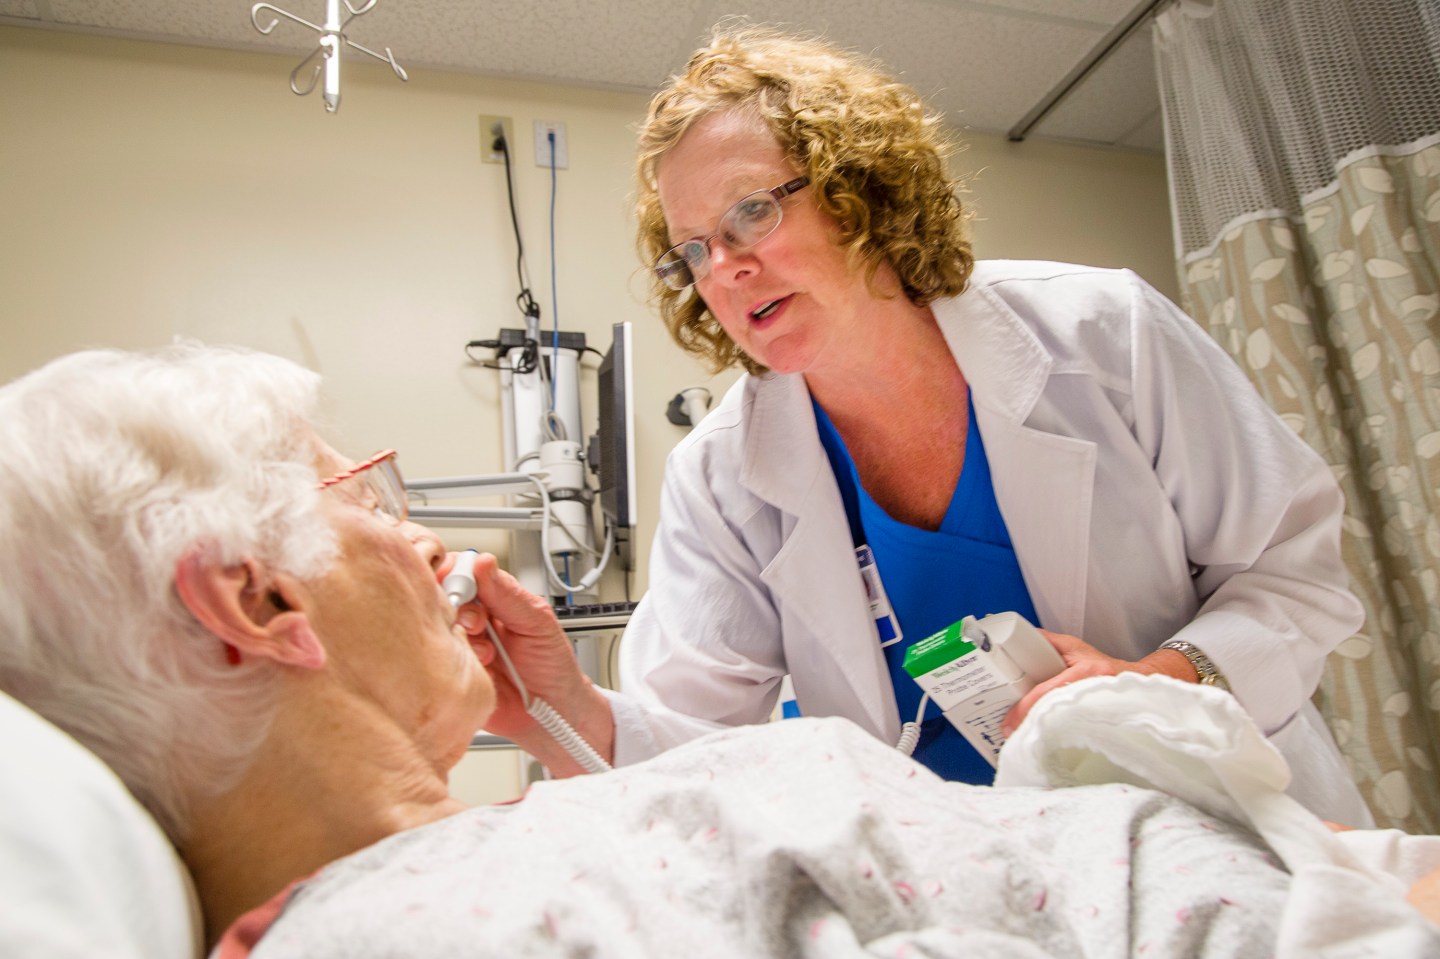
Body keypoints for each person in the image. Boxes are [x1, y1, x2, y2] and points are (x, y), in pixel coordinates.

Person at [1, 343, 1436, 958]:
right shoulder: (481, 906)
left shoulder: (533, 863)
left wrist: (561, 702)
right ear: (255, 604)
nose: (415, 535)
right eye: (363, 494)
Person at [614, 22, 1372, 825]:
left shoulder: (1104, 334)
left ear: (857, 188)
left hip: (1204, 820)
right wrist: (549, 694)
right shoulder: (723, 472)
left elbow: (1296, 577)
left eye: (751, 213)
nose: (723, 270)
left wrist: (1161, 678)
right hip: (959, 885)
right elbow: (684, 734)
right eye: (691, 252)